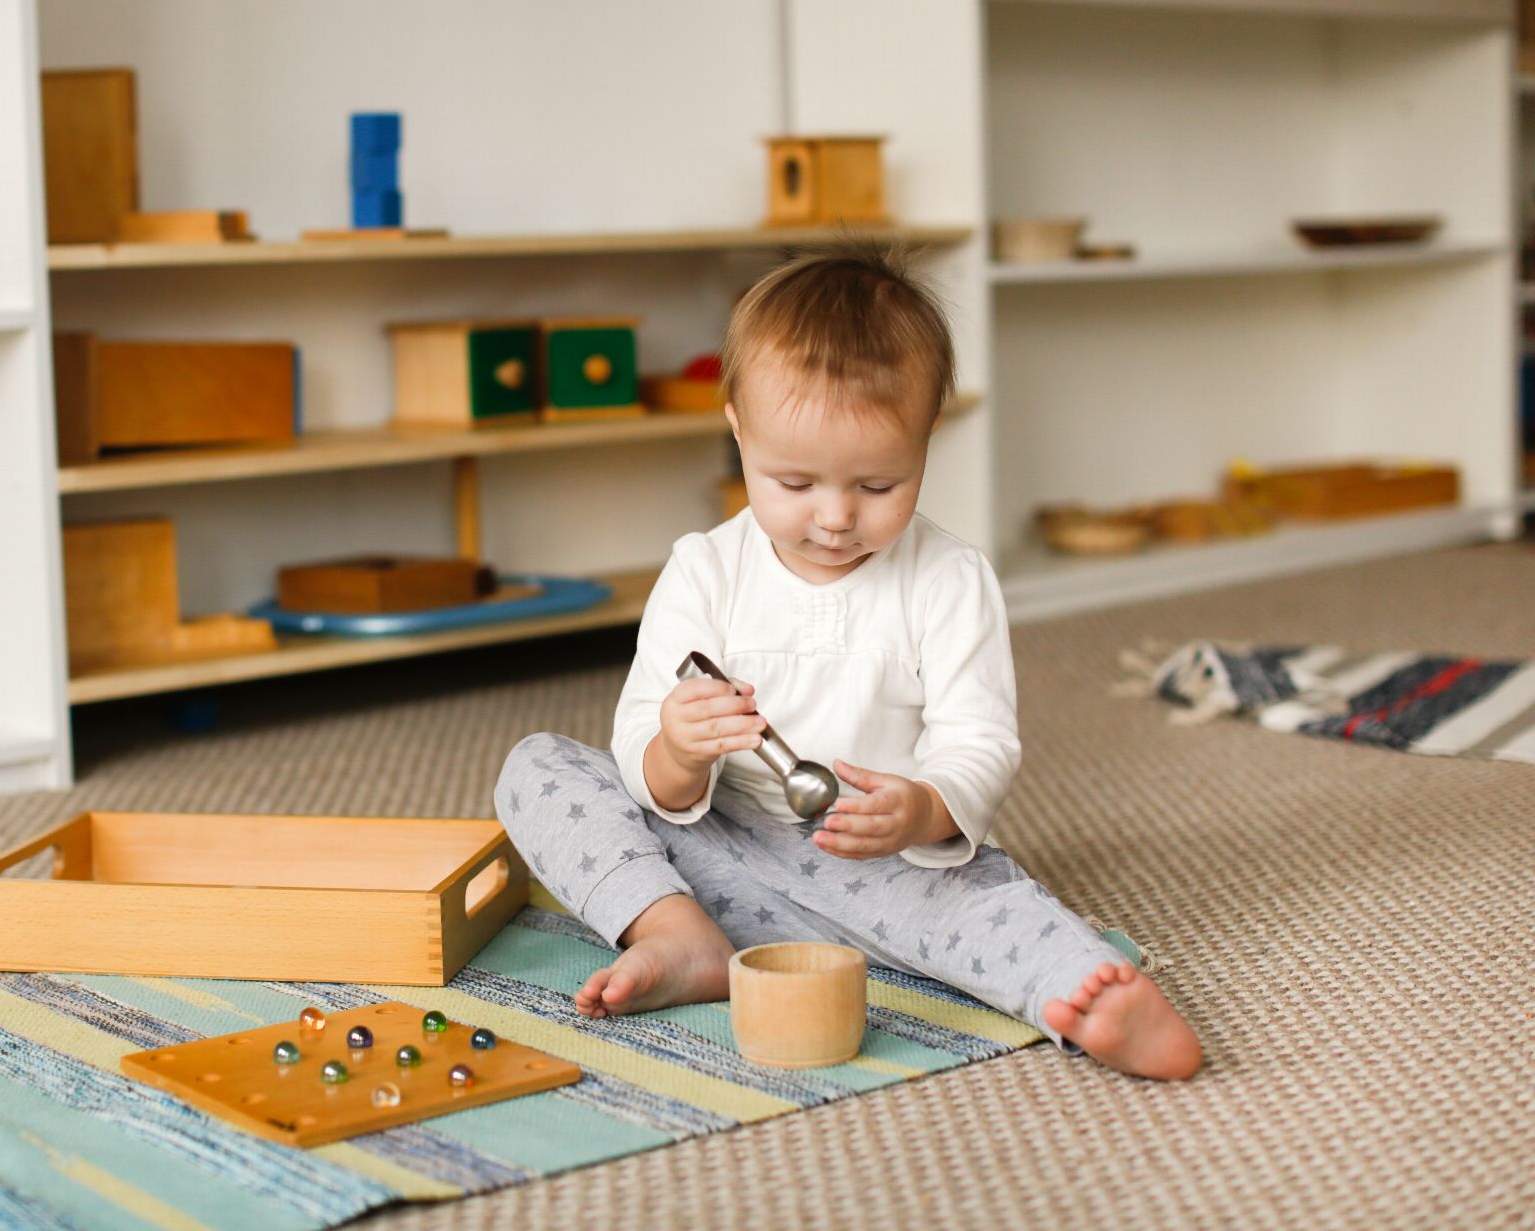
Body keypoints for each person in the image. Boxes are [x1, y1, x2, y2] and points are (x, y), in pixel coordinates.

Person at [494, 244, 1201, 1079]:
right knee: (539, 769)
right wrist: (678, 750)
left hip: (879, 863)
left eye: (877, 486)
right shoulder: (703, 569)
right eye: (794, 484)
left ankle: (1080, 990)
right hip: (708, 849)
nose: (834, 517)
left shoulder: (949, 580)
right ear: (738, 430)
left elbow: (979, 741)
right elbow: (644, 763)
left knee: (985, 909)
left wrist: (922, 809)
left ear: (926, 438)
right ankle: (676, 935)